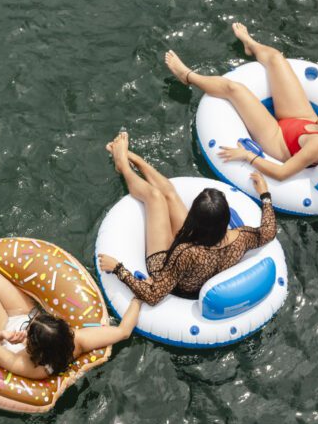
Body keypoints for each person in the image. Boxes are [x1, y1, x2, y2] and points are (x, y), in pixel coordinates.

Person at [0, 201, 140, 379]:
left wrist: (2, 335)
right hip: (24, 311)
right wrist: (138, 298)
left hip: (2, 328)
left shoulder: (28, 366)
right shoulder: (77, 340)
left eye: (31, 331)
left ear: (35, 348)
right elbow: (123, 332)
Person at [165, 23, 318, 183]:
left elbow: (281, 174)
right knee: (277, 59)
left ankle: (187, 76)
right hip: (302, 121)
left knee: (233, 88)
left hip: (280, 141)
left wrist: (248, 156)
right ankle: (251, 44)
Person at [97, 131, 276, 306]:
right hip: (195, 258)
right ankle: (134, 159)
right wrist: (265, 196)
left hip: (169, 270)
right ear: (225, 218)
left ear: (194, 219)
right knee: (170, 194)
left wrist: (118, 269)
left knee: (154, 197)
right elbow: (268, 232)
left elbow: (154, 295)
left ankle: (124, 166)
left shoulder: (186, 252)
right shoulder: (241, 237)